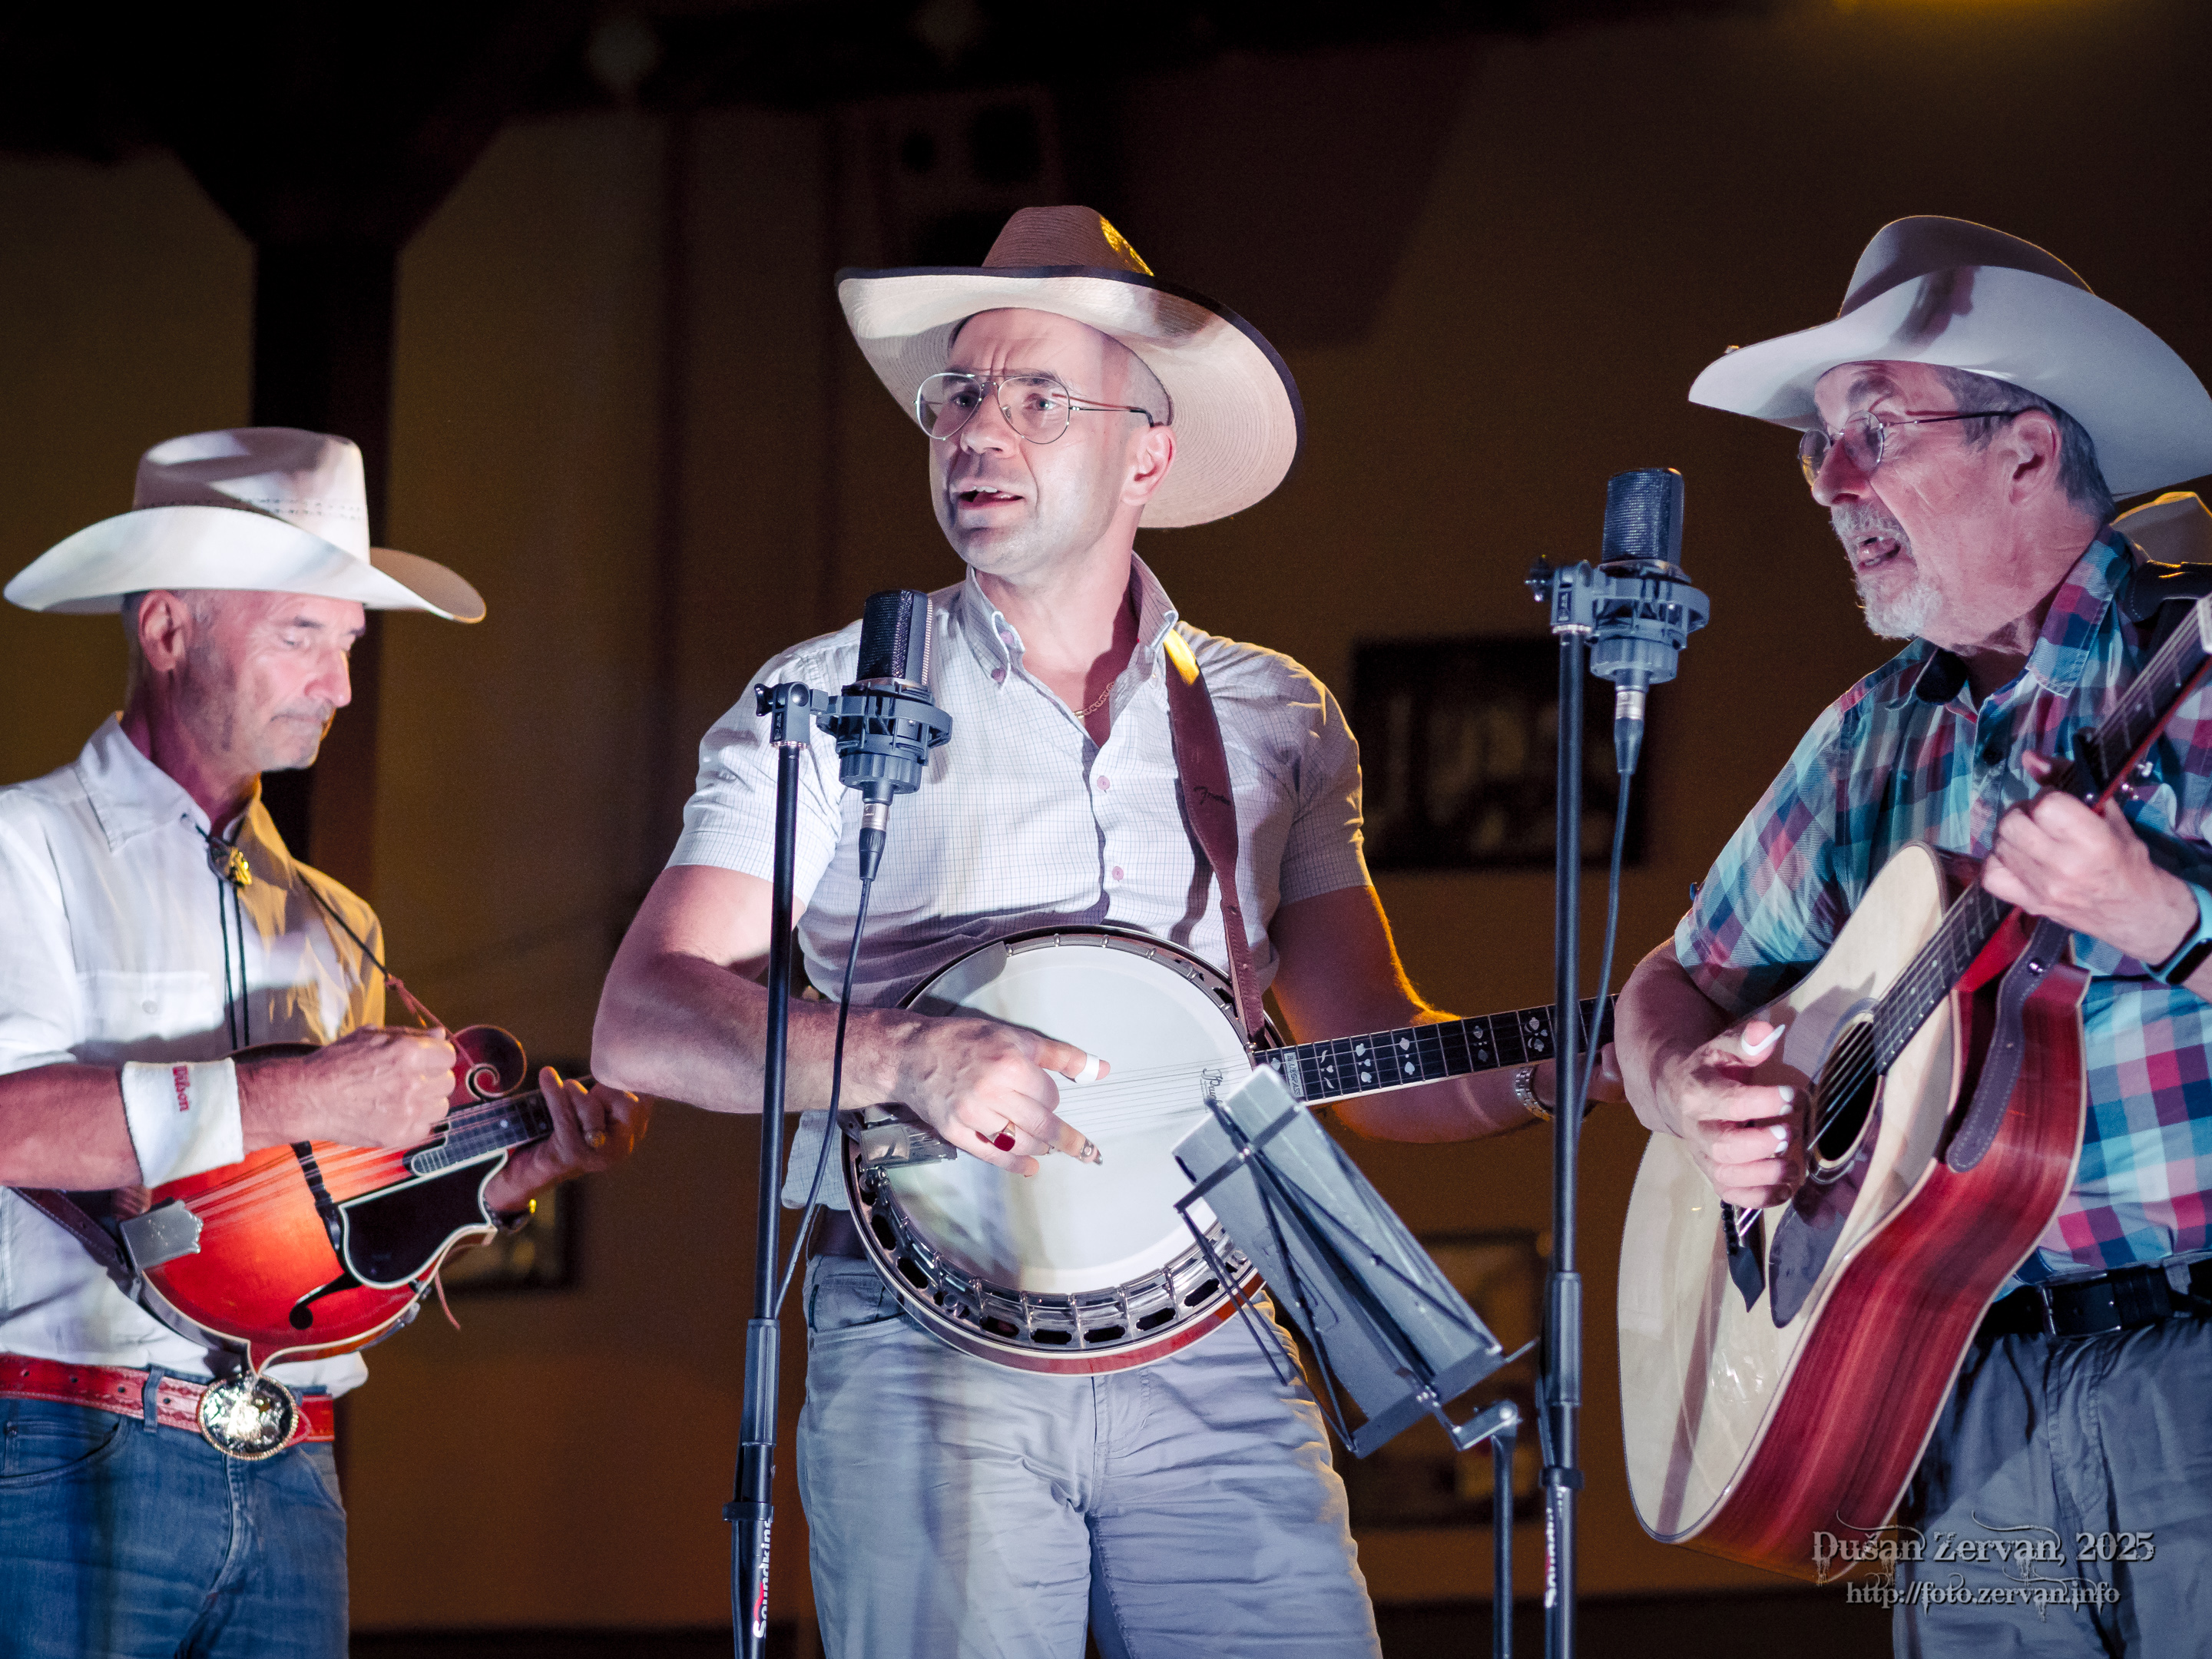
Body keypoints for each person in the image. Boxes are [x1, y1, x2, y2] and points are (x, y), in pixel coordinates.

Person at [593, 206, 1615, 1657]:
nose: (976, 429)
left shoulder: (1272, 714)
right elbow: (643, 1018)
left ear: (1148, 451)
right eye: (959, 395)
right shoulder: (826, 701)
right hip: (923, 1346)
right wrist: (907, 1055)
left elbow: (1372, 1055)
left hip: (1218, 1336)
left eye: (1036, 399)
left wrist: (1569, 1066)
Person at [1614, 217, 2212, 1655]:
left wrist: (2166, 919)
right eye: (1818, 446)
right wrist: (1687, 1095)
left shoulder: (2190, 669)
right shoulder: (1866, 740)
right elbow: (1674, 982)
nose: (1832, 483)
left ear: (2026, 450)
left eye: (1876, 430)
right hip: (1956, 1392)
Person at [0, 427, 650, 1659]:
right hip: (61, 1447)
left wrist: (495, 1182)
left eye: (349, 644)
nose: (341, 686)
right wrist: (303, 1096)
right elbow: (8, 1125)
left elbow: (329, 1231)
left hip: (295, 1468)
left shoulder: (338, 919)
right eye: (303, 635)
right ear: (168, 629)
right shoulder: (21, 848)